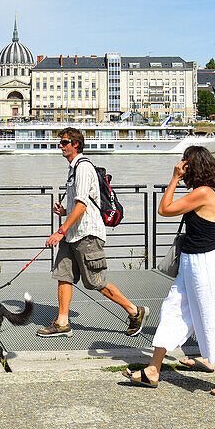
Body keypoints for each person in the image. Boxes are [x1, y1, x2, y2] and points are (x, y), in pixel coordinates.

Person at [124, 146, 215, 396]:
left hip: (204, 264)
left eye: (185, 163)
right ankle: (153, 370)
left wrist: (175, 178)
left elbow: (164, 209)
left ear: (192, 166)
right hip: (193, 262)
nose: (182, 166)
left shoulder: (203, 193)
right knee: (172, 310)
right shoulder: (202, 193)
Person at [37, 127, 147, 338]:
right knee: (64, 276)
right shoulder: (73, 169)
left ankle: (134, 311)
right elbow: (79, 205)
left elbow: (83, 206)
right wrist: (64, 212)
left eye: (64, 142)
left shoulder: (83, 167)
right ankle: (62, 323)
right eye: (60, 142)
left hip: (87, 234)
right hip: (72, 234)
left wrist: (60, 230)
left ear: (76, 144)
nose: (60, 145)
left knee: (95, 282)